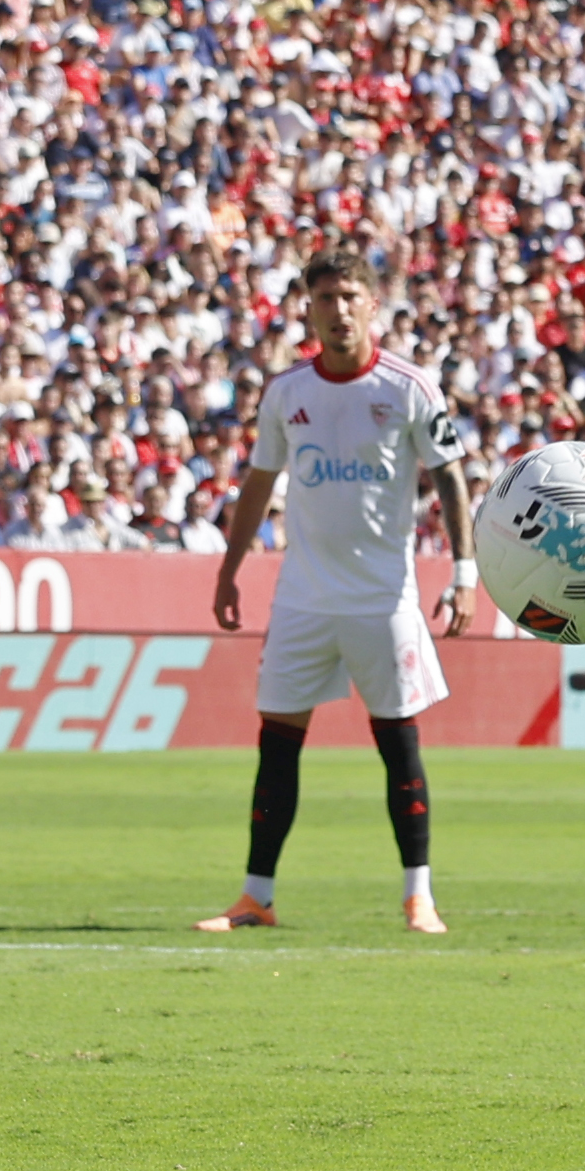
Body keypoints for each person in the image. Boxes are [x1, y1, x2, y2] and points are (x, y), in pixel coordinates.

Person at [197, 248, 476, 937]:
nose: (339, 309)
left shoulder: (412, 387)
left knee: (398, 744)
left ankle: (419, 896)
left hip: (383, 599)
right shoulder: (287, 392)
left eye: (352, 296)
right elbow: (259, 483)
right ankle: (255, 896)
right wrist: (231, 567)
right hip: (302, 598)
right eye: (326, 298)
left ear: (373, 306)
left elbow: (450, 477)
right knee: (277, 745)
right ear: (310, 308)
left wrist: (464, 574)